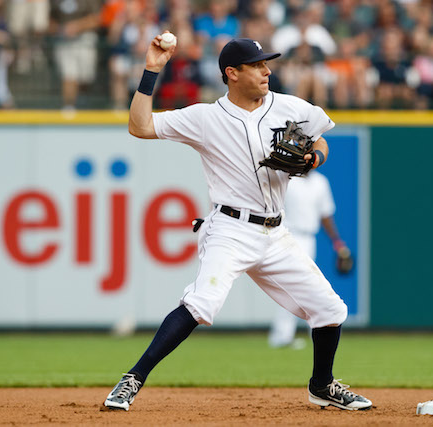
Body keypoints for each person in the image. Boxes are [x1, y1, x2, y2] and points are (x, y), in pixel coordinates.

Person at [103, 35, 372, 412]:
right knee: (201, 304)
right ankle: (132, 379)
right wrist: (152, 69)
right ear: (232, 73)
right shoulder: (205, 117)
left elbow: (322, 136)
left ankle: (322, 385)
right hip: (230, 229)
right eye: (258, 65)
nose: (267, 71)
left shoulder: (289, 107)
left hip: (276, 233)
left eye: (267, 63)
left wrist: (315, 159)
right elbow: (140, 126)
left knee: (330, 310)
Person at [268, 170, 353, 349]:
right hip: (288, 234)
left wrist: (337, 242)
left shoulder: (320, 182)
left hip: (309, 237)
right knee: (292, 285)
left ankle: (315, 331)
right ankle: (282, 335)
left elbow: (326, 215)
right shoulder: (287, 178)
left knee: (308, 285)